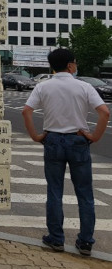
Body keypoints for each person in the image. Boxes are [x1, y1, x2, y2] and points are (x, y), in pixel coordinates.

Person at [22, 48, 110, 256]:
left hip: (52, 140)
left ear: (53, 66)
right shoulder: (84, 86)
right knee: (85, 194)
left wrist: (35, 136)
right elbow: (104, 112)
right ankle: (86, 242)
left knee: (54, 191)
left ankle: (56, 238)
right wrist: (94, 136)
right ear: (70, 65)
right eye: (75, 63)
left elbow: (27, 110)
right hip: (78, 140)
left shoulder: (44, 87)